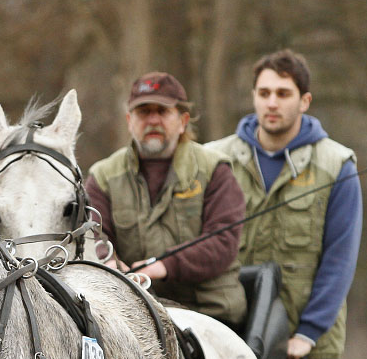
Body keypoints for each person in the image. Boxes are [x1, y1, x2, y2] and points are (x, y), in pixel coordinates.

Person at [208, 49, 362, 359]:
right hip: (225, 335)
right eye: (264, 93)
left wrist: (308, 332)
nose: (272, 103)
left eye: (283, 93)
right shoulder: (212, 160)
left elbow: (340, 260)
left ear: (305, 101)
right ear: (254, 97)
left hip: (306, 347)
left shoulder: (337, 165)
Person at [86, 71, 247, 325]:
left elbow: (223, 241)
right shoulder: (102, 176)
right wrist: (111, 264)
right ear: (129, 120)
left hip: (210, 314)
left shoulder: (214, 170)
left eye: (162, 111)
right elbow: (93, 234)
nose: (153, 120)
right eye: (143, 112)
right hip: (135, 313)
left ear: (183, 120)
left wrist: (163, 266)